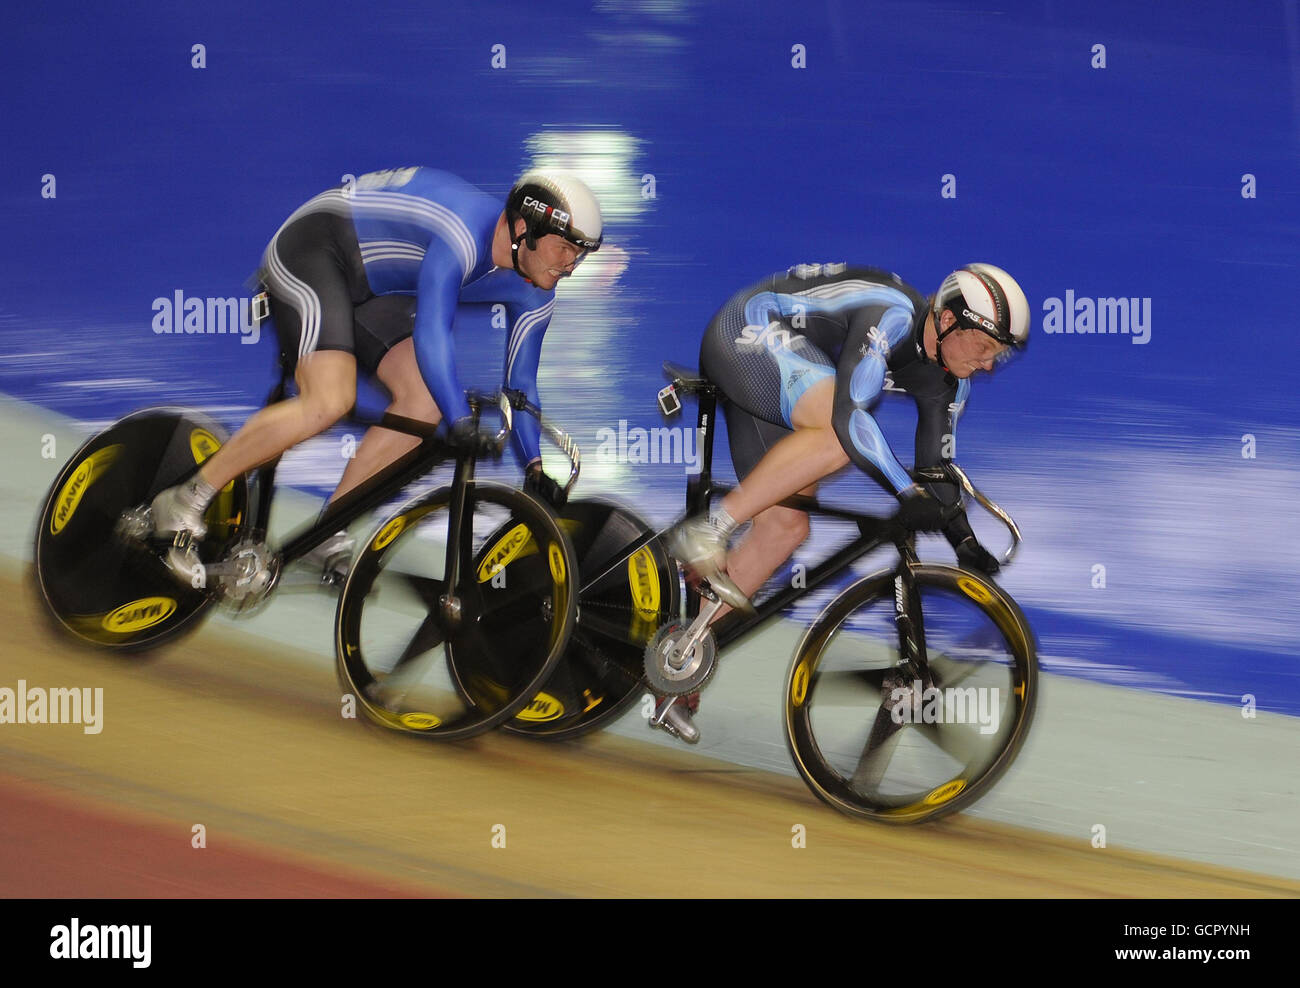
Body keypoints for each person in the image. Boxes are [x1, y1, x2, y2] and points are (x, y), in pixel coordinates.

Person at [149, 167, 602, 581]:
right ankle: (185, 498)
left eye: (580, 255)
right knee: (330, 399)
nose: (571, 264)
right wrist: (461, 422)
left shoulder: (538, 290)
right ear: (525, 229)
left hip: (374, 287)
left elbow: (521, 385)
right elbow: (431, 333)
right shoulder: (464, 231)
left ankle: (330, 527)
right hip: (317, 245)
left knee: (423, 407)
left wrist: (535, 466)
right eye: (566, 248)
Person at [657, 262, 1030, 744]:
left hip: (790, 372)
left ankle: (679, 664)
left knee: (785, 530)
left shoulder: (950, 383)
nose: (987, 365)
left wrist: (963, 540)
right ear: (947, 319)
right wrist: (904, 492)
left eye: (997, 356)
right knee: (839, 434)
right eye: (984, 348)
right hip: (747, 328)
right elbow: (850, 416)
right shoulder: (893, 314)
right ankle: (710, 529)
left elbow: (935, 471)